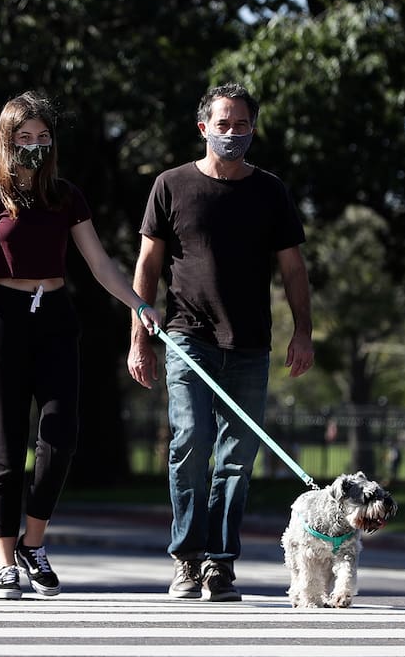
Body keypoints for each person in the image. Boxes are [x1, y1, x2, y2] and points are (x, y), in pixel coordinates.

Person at [0, 91, 161, 600]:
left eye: (42, 137)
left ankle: (34, 542)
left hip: (55, 316)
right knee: (5, 448)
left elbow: (99, 264)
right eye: (23, 138)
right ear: (6, 142)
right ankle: (6, 562)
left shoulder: (66, 195)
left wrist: (138, 304)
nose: (34, 145)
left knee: (60, 437)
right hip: (2, 319)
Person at [126, 82, 314, 602]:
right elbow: (147, 266)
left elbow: (293, 269)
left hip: (250, 344)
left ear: (253, 128)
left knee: (236, 459)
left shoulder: (270, 191)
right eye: (223, 124)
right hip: (187, 338)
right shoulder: (171, 185)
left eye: (242, 125)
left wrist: (304, 331)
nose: (233, 134)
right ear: (204, 127)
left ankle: (220, 563)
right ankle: (187, 559)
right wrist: (139, 339)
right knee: (189, 444)